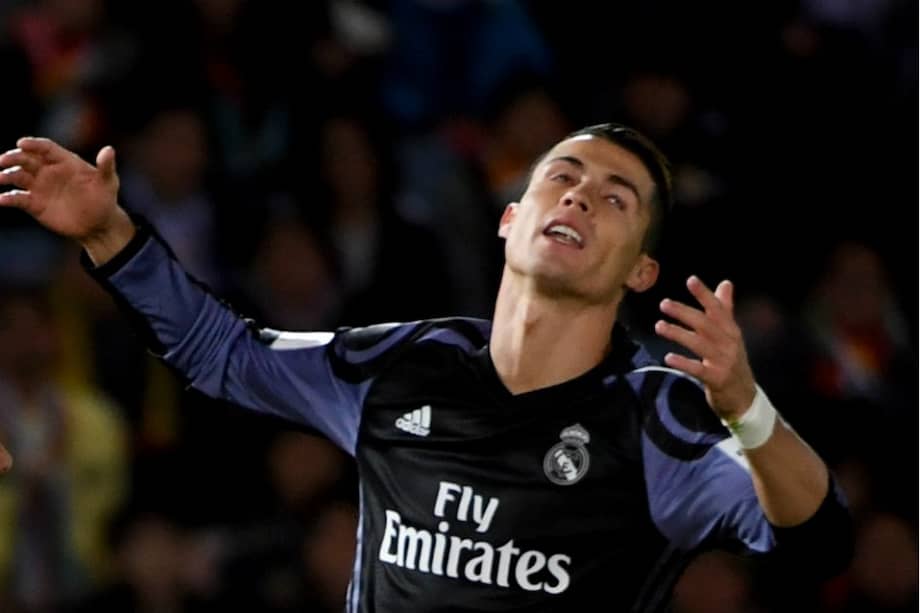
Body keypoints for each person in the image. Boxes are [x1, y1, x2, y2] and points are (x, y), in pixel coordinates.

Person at [0, 123, 852, 611]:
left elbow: (819, 541)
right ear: (511, 219)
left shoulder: (657, 418)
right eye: (564, 176)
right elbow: (224, 355)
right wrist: (110, 235)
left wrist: (748, 407)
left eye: (617, 197)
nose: (583, 195)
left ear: (640, 271)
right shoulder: (406, 363)